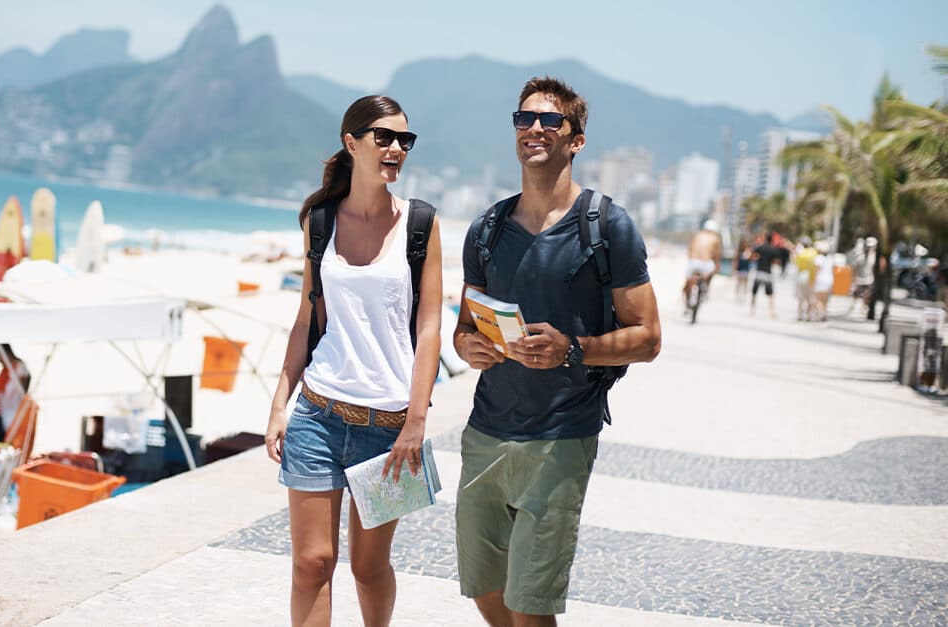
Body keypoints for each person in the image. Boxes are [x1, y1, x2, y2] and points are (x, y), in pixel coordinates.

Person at [452, 76, 661, 625]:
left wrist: (574, 350)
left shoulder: (607, 226)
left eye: (550, 121)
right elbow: (464, 328)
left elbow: (648, 338)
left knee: (531, 605)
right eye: (525, 120)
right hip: (487, 431)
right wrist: (471, 348)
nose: (535, 129)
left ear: (577, 140)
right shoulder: (487, 229)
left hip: (561, 437)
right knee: (484, 588)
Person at [263, 95, 442, 627]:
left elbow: (429, 325)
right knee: (311, 562)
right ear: (352, 143)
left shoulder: (421, 224)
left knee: (369, 567)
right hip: (318, 414)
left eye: (404, 140)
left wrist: (416, 420)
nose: (395, 149)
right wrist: (280, 406)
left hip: (388, 428)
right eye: (383, 137)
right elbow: (305, 318)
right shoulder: (319, 221)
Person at [683, 218, 722, 313]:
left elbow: (690, 249)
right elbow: (717, 255)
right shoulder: (716, 238)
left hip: (693, 262)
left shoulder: (698, 235)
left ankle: (687, 303)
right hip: (706, 264)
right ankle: (706, 287)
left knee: (687, 284)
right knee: (712, 272)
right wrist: (717, 265)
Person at [750, 233, 779, 319]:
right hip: (768, 273)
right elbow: (776, 261)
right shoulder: (773, 249)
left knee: (754, 293)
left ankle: (752, 310)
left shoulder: (761, 247)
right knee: (770, 294)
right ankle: (772, 311)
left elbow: (753, 254)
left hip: (759, 272)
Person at [793, 236, 817, 321]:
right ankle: (810, 315)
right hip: (811, 276)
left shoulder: (800, 253)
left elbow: (795, 262)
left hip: (801, 276)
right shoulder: (814, 252)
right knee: (810, 297)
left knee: (801, 298)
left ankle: (800, 315)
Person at [733, 238, 753, 302]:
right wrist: (734, 268)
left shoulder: (748, 251)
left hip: (746, 270)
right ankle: (738, 295)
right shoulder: (739, 252)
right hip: (740, 269)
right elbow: (736, 260)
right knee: (739, 283)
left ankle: (743, 295)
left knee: (745, 284)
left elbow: (751, 260)